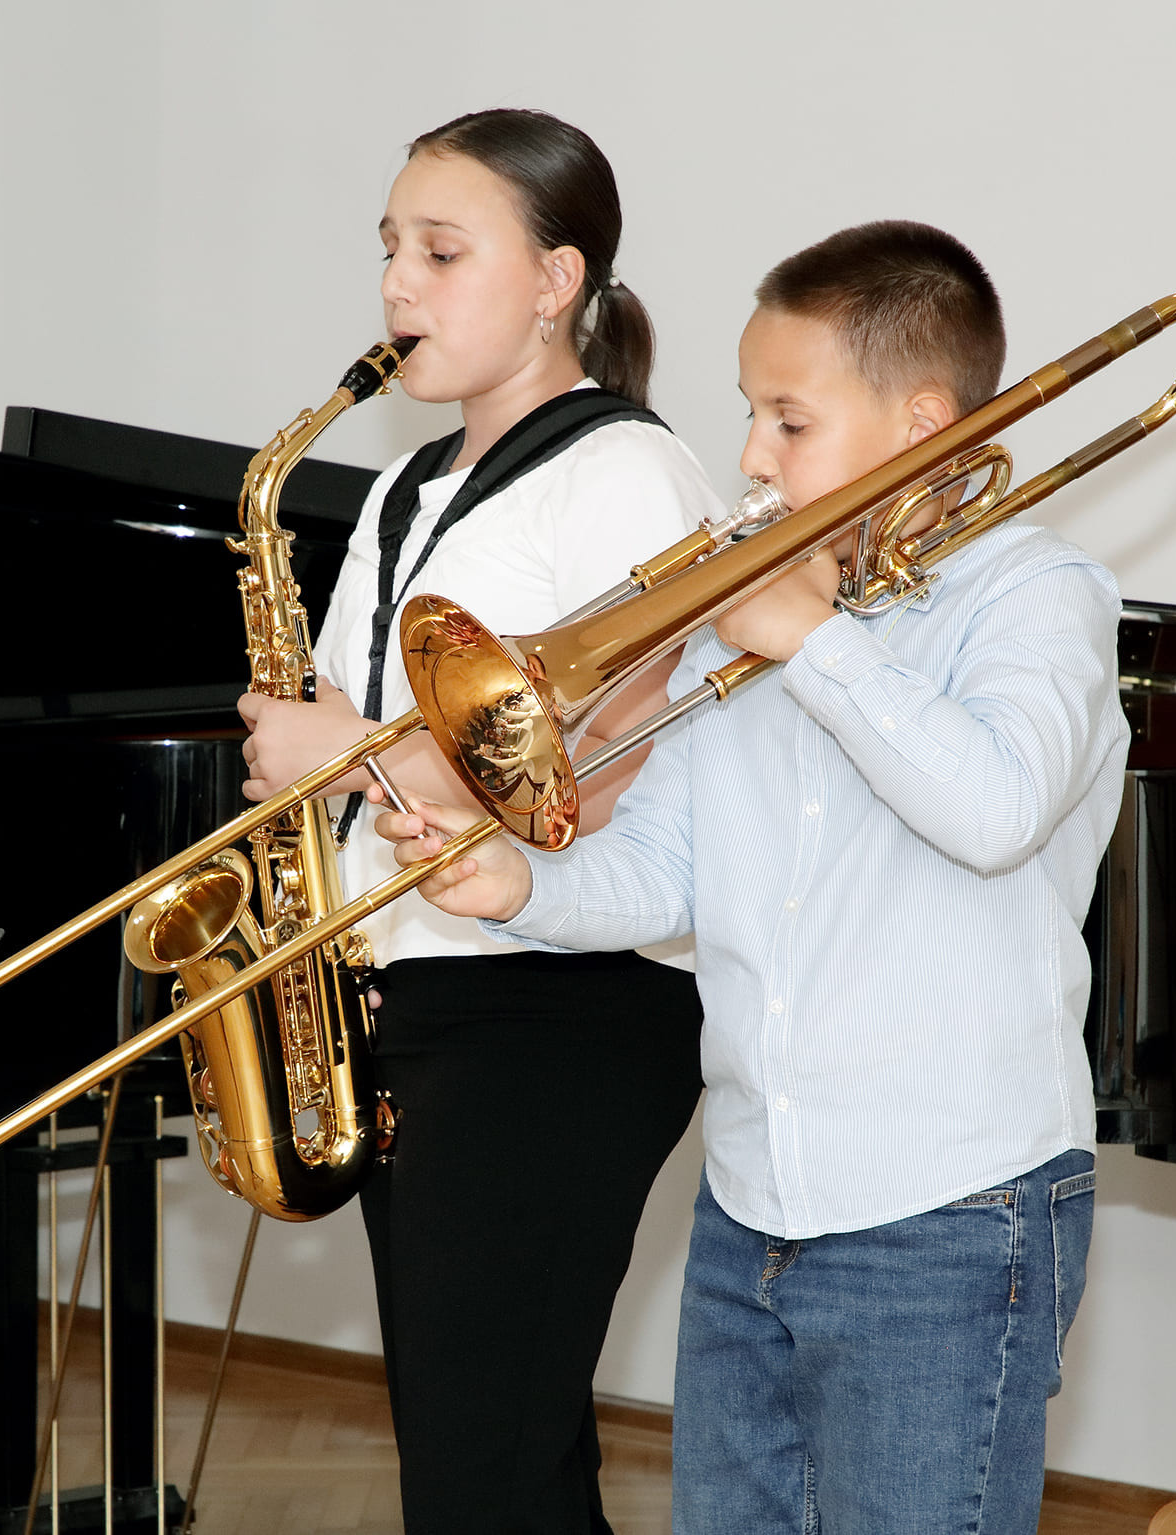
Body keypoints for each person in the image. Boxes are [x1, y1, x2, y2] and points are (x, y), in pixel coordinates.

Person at [376, 221, 1129, 1535]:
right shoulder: (758, 625)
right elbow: (667, 865)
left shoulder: (1035, 594)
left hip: (947, 1210)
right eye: (748, 414)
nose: (748, 458)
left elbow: (994, 807)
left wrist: (817, 644)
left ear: (918, 423)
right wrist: (518, 889)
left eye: (788, 421)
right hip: (748, 1206)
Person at [234, 109, 721, 1534]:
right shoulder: (400, 487)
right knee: (488, 1456)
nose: (397, 284)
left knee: (482, 1465)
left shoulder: (626, 475)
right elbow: (341, 725)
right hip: (418, 989)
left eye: (442, 251)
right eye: (390, 248)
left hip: (562, 1007)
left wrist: (346, 754)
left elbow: (613, 772)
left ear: (558, 280)